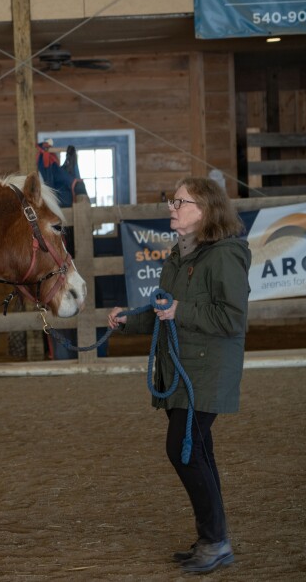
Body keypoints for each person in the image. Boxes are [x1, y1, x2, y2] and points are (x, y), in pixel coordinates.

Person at [107, 177, 250, 574]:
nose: (172, 207)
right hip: (182, 368)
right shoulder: (180, 256)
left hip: (205, 372)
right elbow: (163, 311)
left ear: (204, 210)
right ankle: (213, 539)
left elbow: (232, 319)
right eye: (173, 201)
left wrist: (180, 312)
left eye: (180, 202)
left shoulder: (224, 256)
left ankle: (215, 540)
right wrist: (127, 321)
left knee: (183, 451)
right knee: (198, 451)